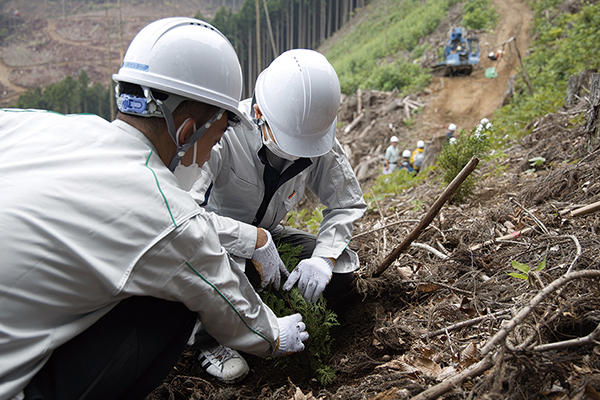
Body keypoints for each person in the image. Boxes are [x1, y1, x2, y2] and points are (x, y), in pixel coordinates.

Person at [0, 18, 309, 400]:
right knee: (177, 302)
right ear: (187, 131)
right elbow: (221, 291)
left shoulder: (42, 127)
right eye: (215, 137)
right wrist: (276, 335)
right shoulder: (167, 213)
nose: (213, 150)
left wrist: (253, 237)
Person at [190, 49, 366, 382]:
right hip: (214, 240)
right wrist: (251, 240)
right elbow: (184, 215)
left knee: (340, 272)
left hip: (271, 234)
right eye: (292, 143)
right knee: (223, 271)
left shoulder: (316, 138)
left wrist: (324, 259)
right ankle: (208, 340)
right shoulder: (221, 135)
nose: (300, 153)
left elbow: (345, 203)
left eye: (306, 145)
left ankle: (267, 297)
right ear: (258, 113)